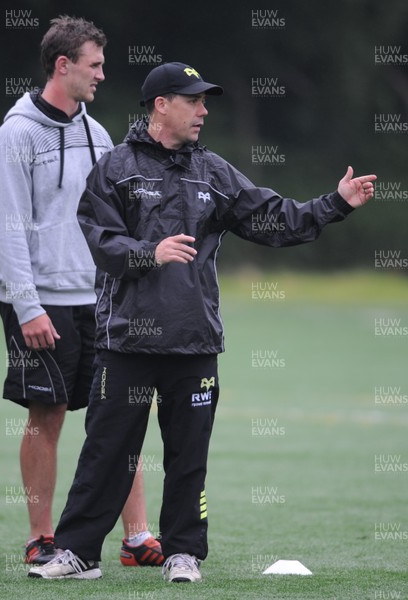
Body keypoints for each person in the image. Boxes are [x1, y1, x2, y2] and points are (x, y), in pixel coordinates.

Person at [28, 61, 376, 582]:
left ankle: (182, 553)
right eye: (194, 101)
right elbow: (100, 240)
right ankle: (78, 553)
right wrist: (150, 252)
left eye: (206, 101)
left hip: (193, 342)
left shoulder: (213, 171)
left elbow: (272, 219)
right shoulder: (116, 167)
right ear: (161, 105)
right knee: (106, 452)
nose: (204, 110)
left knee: (188, 457)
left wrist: (335, 204)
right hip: (125, 341)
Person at [0, 16, 163, 568]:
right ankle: (42, 536)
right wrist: (28, 305)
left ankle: (137, 539)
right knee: (48, 414)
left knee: (120, 416)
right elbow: (6, 225)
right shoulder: (16, 135)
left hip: (100, 300)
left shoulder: (98, 132)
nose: (102, 76)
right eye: (95, 65)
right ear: (63, 66)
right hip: (40, 304)